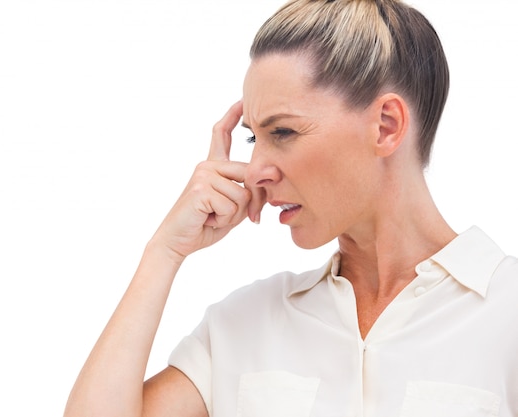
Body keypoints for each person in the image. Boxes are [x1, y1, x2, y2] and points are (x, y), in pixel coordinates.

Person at [64, 0, 518, 415]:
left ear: (385, 126)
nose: (255, 169)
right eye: (251, 137)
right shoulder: (244, 325)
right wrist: (164, 252)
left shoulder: (507, 311)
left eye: (281, 132)